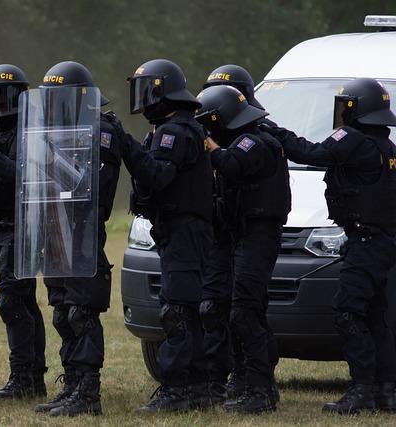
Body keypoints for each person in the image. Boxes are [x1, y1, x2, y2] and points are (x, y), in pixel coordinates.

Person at [263, 77, 396, 414]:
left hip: (365, 242)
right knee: (376, 316)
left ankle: (362, 389)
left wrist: (272, 130)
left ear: (358, 109)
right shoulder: (387, 146)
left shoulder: (352, 139)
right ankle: (385, 390)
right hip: (381, 241)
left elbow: (310, 153)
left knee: (349, 313)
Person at [121, 59, 214, 413]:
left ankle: (176, 391)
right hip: (184, 231)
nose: (143, 102)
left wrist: (126, 144)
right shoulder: (182, 128)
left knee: (177, 310)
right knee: (188, 310)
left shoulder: (175, 131)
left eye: (148, 92)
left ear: (165, 93)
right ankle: (199, 388)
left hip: (185, 232)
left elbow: (158, 175)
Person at [30, 61, 122, 417]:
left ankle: (87, 394)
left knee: (81, 313)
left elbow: (94, 186)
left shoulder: (101, 130)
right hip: (56, 233)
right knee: (62, 313)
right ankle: (71, 385)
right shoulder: (54, 133)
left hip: (83, 234)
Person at [195, 84, 291, 414]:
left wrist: (206, 143)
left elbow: (231, 164)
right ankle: (254, 383)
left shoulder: (254, 141)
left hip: (258, 235)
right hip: (244, 235)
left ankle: (261, 391)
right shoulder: (247, 138)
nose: (208, 128)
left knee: (245, 312)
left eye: (209, 122)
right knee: (246, 310)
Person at [0, 64, 47, 400]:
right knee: (23, 301)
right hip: (1, 225)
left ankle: (24, 378)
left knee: (12, 302)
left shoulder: (28, 130)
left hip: (21, 228)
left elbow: (13, 173)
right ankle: (32, 377)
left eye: (5, 95)